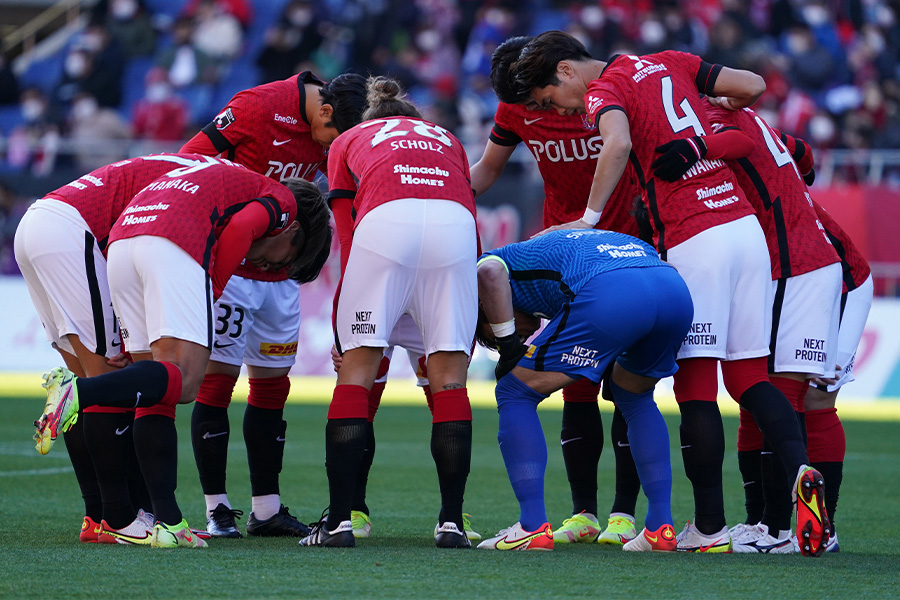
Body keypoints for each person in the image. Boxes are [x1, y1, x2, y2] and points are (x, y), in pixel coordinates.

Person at [510, 30, 830, 557]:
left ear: (566, 71)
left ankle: (708, 528)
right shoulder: (671, 61)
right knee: (749, 377)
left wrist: (588, 219)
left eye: (550, 99)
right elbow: (752, 85)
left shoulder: (603, 90)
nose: (560, 111)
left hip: (693, 234)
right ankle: (801, 473)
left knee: (697, 386)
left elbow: (617, 143)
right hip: (743, 228)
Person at [34, 158, 333, 549]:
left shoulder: (217, 175)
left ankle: (168, 522)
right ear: (291, 230)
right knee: (187, 381)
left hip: (122, 241)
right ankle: (78, 392)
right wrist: (212, 291)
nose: (271, 266)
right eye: (288, 260)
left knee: (153, 390)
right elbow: (242, 228)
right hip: (172, 240)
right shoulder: (282, 201)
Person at [471, 35, 645, 546]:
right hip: (562, 255)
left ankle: (624, 515)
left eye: (539, 97)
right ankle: (583, 513)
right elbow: (488, 169)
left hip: (626, 248)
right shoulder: (517, 107)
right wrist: (436, 191)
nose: (539, 109)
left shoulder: (604, 95)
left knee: (628, 385)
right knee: (577, 384)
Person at [179, 71, 366, 538]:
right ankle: (217, 510)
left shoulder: (336, 129)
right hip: (232, 271)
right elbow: (187, 160)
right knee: (216, 385)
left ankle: (266, 510)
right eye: (332, 139)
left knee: (272, 390)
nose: (331, 151)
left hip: (281, 274)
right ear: (324, 111)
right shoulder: (256, 107)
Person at [299, 76, 478, 549]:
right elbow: (471, 220)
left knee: (357, 374)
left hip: (385, 226)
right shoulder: (447, 137)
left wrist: (343, 329)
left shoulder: (350, 138)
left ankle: (340, 523)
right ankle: (452, 524)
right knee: (450, 382)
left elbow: (347, 237)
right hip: (455, 231)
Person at [656, 101, 842, 554]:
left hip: (792, 264)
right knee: (763, 389)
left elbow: (736, 141)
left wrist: (697, 146)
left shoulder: (711, 116)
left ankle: (775, 529)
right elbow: (801, 151)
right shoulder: (750, 116)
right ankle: (776, 524)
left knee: (771, 390)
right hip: (807, 260)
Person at [15, 154, 214, 544]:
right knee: (103, 381)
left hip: (39, 222)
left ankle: (98, 517)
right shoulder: (208, 181)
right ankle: (120, 518)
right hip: (71, 230)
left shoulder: (183, 165)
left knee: (86, 380)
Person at [474, 229, 692, 552]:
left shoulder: (497, 262)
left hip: (614, 290)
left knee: (513, 390)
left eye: (493, 330)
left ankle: (531, 527)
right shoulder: (551, 254)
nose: (519, 337)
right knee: (634, 394)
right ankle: (660, 528)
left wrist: (506, 346)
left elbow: (488, 271)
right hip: (673, 290)